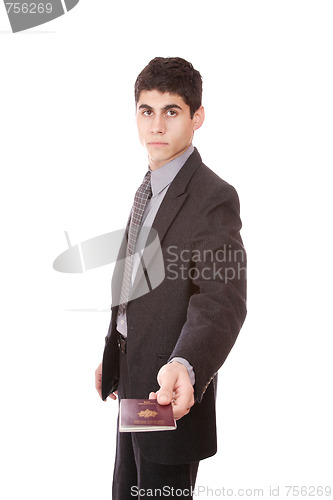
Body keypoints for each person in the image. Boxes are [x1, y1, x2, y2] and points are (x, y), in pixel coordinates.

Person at [95, 57, 247, 499]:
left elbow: (222, 299)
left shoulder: (213, 196)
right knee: (127, 490)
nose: (156, 125)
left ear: (197, 117)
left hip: (169, 390)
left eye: (172, 111)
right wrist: (116, 348)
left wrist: (185, 365)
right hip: (133, 381)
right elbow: (137, 286)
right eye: (147, 111)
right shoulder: (149, 186)